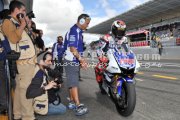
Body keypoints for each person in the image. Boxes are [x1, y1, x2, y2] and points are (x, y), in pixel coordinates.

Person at [2, 1, 36, 120]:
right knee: (26, 89)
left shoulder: (17, 23)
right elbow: (14, 39)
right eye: (23, 11)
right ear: (16, 10)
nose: (24, 13)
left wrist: (28, 26)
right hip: (22, 62)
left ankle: (17, 114)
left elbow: (31, 40)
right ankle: (28, 117)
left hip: (27, 61)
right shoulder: (7, 22)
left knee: (19, 90)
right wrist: (22, 24)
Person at [63, 14, 91, 116]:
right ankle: (78, 105)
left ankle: (71, 102)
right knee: (74, 82)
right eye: (87, 23)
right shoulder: (74, 31)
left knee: (71, 81)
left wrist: (81, 59)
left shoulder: (78, 31)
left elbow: (77, 48)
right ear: (82, 21)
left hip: (72, 60)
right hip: (71, 60)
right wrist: (81, 60)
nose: (87, 25)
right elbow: (72, 48)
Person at [26, 51, 66, 115]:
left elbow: (57, 73)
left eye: (51, 61)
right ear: (41, 61)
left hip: (43, 97)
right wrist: (46, 87)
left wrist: (57, 81)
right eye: (49, 61)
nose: (50, 63)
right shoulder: (38, 74)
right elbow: (29, 94)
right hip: (36, 101)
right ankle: (35, 110)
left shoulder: (44, 68)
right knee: (63, 109)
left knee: (56, 95)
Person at [94, 20, 129, 93]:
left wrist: (130, 56)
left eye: (122, 31)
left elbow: (128, 50)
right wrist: (101, 57)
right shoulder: (106, 37)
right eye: (119, 31)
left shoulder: (124, 39)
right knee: (98, 68)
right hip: (107, 58)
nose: (120, 33)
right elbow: (99, 49)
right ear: (114, 29)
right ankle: (101, 85)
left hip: (119, 58)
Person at [0, 9, 10, 115]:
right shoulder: (3, 27)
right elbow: (7, 47)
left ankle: (4, 105)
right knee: (2, 83)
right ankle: (4, 106)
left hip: (6, 59)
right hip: (2, 59)